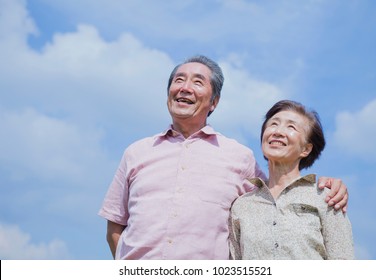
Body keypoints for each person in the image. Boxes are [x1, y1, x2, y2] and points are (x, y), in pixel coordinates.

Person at [98, 55, 349, 260]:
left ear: (214, 102)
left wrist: (329, 185)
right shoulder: (136, 153)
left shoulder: (239, 157)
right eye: (178, 80)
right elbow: (115, 225)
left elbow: (276, 191)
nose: (185, 87)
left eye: (198, 82)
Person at [229, 100, 354, 259]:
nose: (278, 132)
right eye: (273, 124)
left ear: (306, 149)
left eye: (291, 127)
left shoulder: (327, 199)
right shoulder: (242, 206)